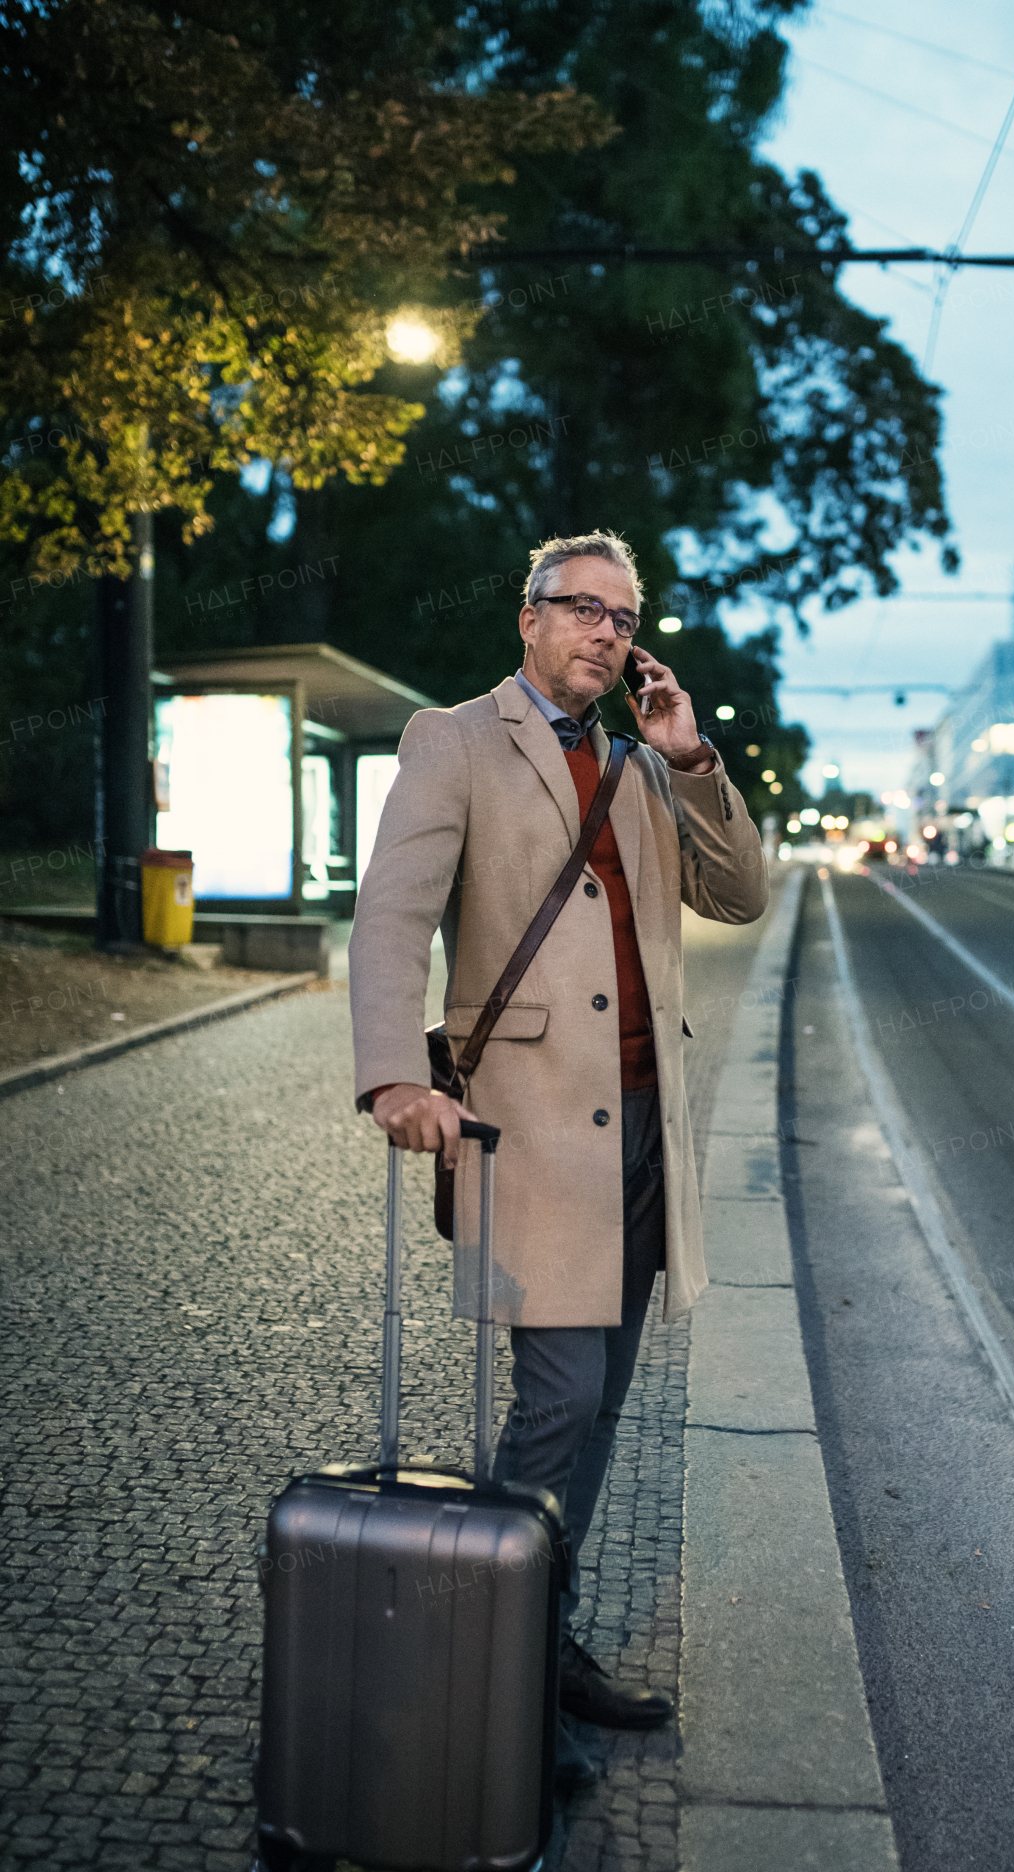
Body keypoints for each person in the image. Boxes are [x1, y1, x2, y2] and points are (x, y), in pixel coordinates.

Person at [348, 529, 768, 1776]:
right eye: (580, 607)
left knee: (601, 1412)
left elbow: (740, 893)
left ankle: (543, 1636)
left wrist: (692, 756)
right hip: (526, 1126)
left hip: (643, 1134)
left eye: (623, 613)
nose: (605, 630)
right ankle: (491, 1673)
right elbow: (392, 915)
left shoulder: (647, 766)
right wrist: (387, 1074)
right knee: (558, 1404)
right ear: (526, 618)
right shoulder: (455, 739)